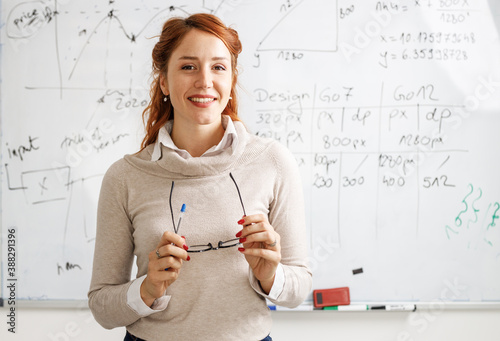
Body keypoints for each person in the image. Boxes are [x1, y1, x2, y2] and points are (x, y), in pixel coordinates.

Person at [88, 13, 312, 341]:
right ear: (163, 80)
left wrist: (271, 276)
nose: (205, 81)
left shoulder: (272, 162)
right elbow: (102, 307)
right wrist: (147, 289)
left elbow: (299, 288)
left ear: (232, 78)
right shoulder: (125, 177)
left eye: (218, 67)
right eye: (188, 66)